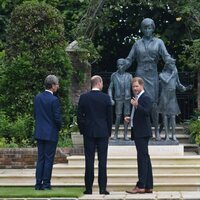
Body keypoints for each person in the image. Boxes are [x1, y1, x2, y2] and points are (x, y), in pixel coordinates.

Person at [124, 18, 172, 141]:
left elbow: (166, 56)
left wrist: (170, 62)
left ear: (153, 28)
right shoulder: (137, 44)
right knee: (138, 101)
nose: (147, 30)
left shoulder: (159, 42)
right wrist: (123, 64)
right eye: (145, 27)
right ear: (142, 29)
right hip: (140, 73)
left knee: (154, 103)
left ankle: (156, 130)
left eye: (149, 27)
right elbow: (130, 59)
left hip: (153, 74)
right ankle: (136, 129)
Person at [77, 75, 112, 195]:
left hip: (89, 133)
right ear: (99, 83)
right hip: (102, 132)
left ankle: (89, 188)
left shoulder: (84, 98)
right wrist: (108, 132)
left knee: (89, 160)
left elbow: (79, 117)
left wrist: (83, 130)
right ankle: (102, 188)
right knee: (102, 161)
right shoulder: (106, 98)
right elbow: (109, 117)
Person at [125, 77, 153, 194]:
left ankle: (141, 186)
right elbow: (139, 116)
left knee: (142, 159)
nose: (134, 89)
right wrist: (130, 119)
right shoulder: (138, 98)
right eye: (133, 87)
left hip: (142, 132)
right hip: (139, 131)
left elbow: (147, 112)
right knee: (145, 158)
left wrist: (137, 105)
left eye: (136, 86)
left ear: (142, 86)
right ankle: (148, 186)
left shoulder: (145, 97)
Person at [34, 75, 62, 190]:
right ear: (53, 85)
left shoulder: (38, 97)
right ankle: (46, 184)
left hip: (40, 132)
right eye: (57, 84)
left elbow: (35, 115)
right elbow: (57, 118)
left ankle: (38, 184)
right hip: (51, 133)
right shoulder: (54, 100)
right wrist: (59, 128)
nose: (58, 86)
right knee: (49, 159)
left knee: (40, 158)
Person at [158, 58, 192, 141]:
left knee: (173, 116)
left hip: (172, 97)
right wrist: (172, 75)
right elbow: (166, 81)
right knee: (165, 117)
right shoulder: (162, 74)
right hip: (164, 96)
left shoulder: (175, 75)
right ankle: (167, 136)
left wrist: (186, 88)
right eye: (172, 64)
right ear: (168, 65)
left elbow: (179, 86)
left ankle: (173, 135)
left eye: (174, 64)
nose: (174, 66)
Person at [108, 58, 132, 140]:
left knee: (126, 116)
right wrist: (110, 98)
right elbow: (110, 88)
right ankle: (115, 134)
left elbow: (133, 87)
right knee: (118, 116)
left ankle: (125, 134)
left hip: (127, 98)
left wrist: (136, 97)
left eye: (121, 64)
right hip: (118, 98)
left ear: (125, 65)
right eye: (118, 65)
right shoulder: (114, 76)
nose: (120, 66)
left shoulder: (129, 76)